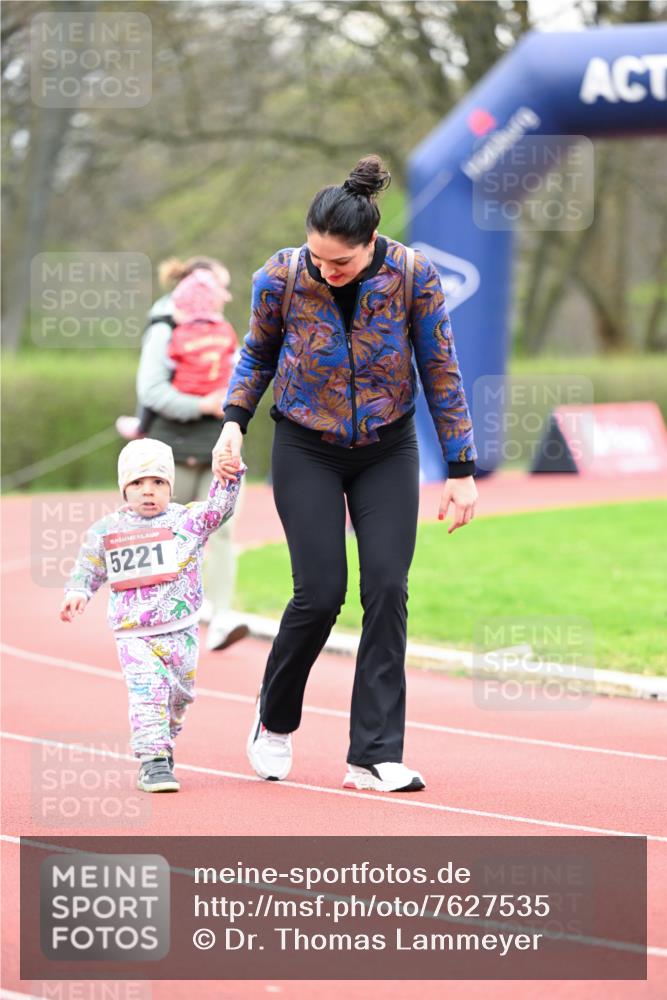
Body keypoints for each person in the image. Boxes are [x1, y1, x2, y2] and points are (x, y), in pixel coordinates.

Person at [213, 154, 478, 794]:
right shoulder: (280, 276)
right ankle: (274, 722)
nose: (327, 271)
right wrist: (232, 421)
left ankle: (373, 754)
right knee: (321, 593)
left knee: (387, 590)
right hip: (306, 444)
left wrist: (461, 466)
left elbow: (440, 369)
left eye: (342, 263)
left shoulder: (414, 276)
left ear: (371, 245)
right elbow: (258, 353)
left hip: (388, 449)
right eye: (319, 259)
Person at [60, 438, 244, 793]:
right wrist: (78, 591)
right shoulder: (106, 530)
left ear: (170, 487)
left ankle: (164, 741)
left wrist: (227, 476)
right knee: (148, 694)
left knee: (180, 697)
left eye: (158, 483)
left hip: (182, 631)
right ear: (124, 487)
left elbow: (220, 509)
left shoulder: (186, 520)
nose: (148, 491)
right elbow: (89, 566)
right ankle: (153, 760)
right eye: (138, 483)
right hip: (135, 634)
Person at [127, 256, 249, 653]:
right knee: (162, 532)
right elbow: (152, 391)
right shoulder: (164, 327)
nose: (228, 295)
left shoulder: (224, 332)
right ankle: (151, 618)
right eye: (222, 286)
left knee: (223, 530)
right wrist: (204, 404)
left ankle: (220, 616)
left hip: (217, 444)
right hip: (172, 448)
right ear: (201, 286)